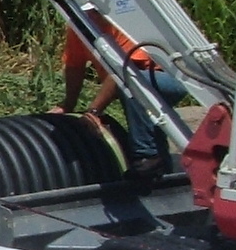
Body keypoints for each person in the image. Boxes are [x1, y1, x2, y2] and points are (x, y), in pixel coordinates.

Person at [50, 15, 187, 174]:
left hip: (168, 79)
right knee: (144, 108)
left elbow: (124, 69)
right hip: (137, 83)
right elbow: (75, 66)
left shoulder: (118, 22)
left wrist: (93, 111)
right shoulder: (79, 26)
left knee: (134, 83)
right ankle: (161, 170)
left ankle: (147, 155)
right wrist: (68, 104)